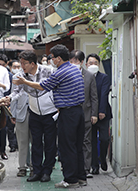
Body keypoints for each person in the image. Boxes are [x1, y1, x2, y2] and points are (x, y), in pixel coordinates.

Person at [12, 44, 86, 188]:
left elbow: (42, 86)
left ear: (58, 59)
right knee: (77, 146)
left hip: (66, 112)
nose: (51, 60)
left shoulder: (59, 72)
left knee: (66, 147)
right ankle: (80, 177)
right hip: (77, 111)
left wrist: (24, 81)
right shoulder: (74, 69)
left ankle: (71, 180)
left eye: (52, 57)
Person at [0, 50, 58, 183]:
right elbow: (17, 92)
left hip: (50, 112)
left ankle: (47, 171)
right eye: (20, 63)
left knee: (49, 144)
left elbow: (51, 87)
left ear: (33, 63)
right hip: (34, 112)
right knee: (36, 143)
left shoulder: (48, 71)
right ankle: (36, 171)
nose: (22, 66)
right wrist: (8, 98)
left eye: (24, 63)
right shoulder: (21, 75)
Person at [69, 50, 98, 178]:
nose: (73, 63)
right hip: (71, 114)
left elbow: (94, 97)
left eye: (75, 61)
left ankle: (86, 169)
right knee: (72, 141)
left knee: (86, 142)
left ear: (81, 62)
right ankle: (73, 168)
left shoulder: (89, 76)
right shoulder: (67, 74)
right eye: (71, 61)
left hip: (86, 114)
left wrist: (94, 114)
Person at [86, 53, 112, 174]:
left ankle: (103, 158)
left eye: (95, 63)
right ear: (86, 64)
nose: (93, 65)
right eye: (90, 63)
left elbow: (103, 95)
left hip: (103, 114)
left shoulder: (104, 77)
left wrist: (101, 111)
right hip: (89, 114)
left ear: (99, 64)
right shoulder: (83, 77)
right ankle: (94, 166)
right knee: (91, 141)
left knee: (104, 139)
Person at [10, 72, 32, 177]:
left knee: (36, 141)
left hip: (36, 112)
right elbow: (13, 95)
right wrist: (12, 114)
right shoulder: (16, 77)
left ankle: (34, 166)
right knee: (22, 142)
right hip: (21, 112)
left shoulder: (38, 75)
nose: (23, 65)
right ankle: (22, 167)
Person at [0, 55, 11, 160]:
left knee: (2, 126)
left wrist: (0, 85)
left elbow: (7, 86)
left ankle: (2, 150)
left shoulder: (3, 71)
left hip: (1, 101)